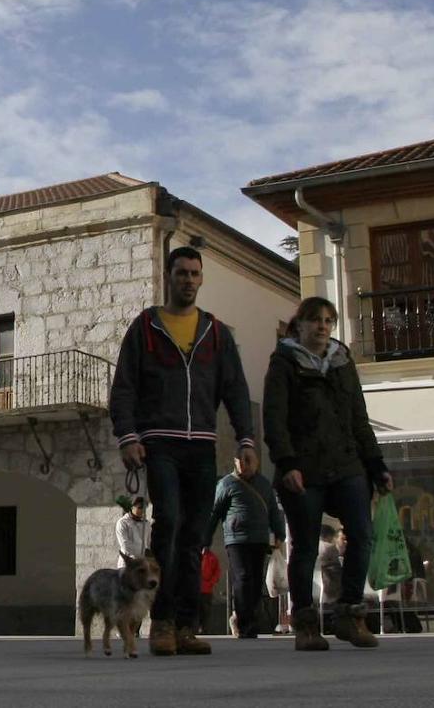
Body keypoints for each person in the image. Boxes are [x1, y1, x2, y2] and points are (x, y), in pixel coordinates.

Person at [110, 245, 256, 656]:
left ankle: (188, 627)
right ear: (168, 277)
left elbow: (236, 390)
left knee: (195, 537)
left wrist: (246, 439)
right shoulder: (145, 327)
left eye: (195, 274)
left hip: (202, 447)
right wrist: (128, 436)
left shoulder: (215, 331)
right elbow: (123, 388)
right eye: (181, 273)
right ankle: (162, 623)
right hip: (158, 443)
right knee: (169, 523)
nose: (188, 280)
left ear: (201, 279)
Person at [263, 296, 392, 651]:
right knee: (304, 546)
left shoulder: (343, 362)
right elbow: (274, 419)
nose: (322, 326)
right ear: (299, 325)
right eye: (315, 320)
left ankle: (351, 614)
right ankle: (305, 622)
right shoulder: (284, 362)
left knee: (361, 535)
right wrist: (286, 463)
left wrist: (377, 464)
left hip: (347, 463)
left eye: (328, 320)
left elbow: (358, 418)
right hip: (304, 467)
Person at [209, 452, 285, 639]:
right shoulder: (227, 484)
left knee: (256, 580)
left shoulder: (264, 484)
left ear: (256, 462)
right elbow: (214, 512)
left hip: (259, 539)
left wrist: (279, 533)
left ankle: (249, 618)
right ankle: (245, 622)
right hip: (236, 539)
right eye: (240, 460)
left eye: (248, 460)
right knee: (243, 578)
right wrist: (205, 539)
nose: (244, 464)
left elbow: (273, 510)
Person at [115, 497, 149, 568]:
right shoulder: (122, 523)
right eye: (140, 507)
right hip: (127, 564)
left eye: (145, 508)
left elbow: (148, 542)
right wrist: (144, 552)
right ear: (132, 507)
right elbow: (125, 546)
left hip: (142, 564)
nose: (142, 510)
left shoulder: (146, 524)